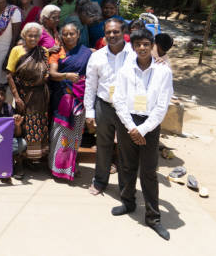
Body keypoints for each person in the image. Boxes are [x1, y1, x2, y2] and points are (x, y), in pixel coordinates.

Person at [111, 29, 173, 240]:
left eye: (147, 44)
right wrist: (131, 127)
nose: (143, 48)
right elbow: (118, 100)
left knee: (148, 171)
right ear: (133, 47)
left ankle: (153, 217)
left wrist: (143, 129)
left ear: (152, 45)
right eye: (138, 44)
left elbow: (162, 105)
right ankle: (128, 203)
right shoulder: (125, 71)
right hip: (128, 121)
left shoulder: (163, 72)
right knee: (127, 165)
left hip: (150, 124)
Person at [84, 18, 134, 196]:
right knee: (103, 145)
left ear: (123, 33)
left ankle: (125, 187)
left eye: (116, 32)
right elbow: (90, 85)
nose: (112, 35)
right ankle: (99, 181)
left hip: (127, 109)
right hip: (104, 106)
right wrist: (89, 112)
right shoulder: (97, 56)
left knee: (126, 148)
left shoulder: (135, 54)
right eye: (108, 32)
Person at [47, 23, 92, 181]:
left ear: (78, 34)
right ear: (61, 36)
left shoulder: (88, 53)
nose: (69, 37)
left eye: (72, 34)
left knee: (75, 135)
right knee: (59, 133)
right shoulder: (57, 53)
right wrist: (66, 76)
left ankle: (70, 166)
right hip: (62, 99)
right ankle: (56, 167)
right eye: (65, 34)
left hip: (79, 100)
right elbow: (52, 73)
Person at [6, 22, 50, 163]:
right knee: (22, 124)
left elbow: (46, 71)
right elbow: (9, 75)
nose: (33, 38)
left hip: (40, 96)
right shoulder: (17, 50)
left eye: (36, 36)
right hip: (23, 95)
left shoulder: (44, 51)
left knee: (38, 124)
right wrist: (17, 98)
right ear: (24, 35)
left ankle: (35, 159)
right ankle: (20, 159)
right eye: (30, 35)